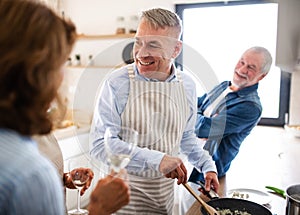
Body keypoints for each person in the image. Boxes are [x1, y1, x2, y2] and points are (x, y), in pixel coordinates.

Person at [0, 1, 129, 214]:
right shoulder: (30, 176)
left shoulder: (24, 132)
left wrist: (60, 179)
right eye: (62, 62)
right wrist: (99, 209)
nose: (64, 75)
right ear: (37, 72)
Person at [90, 8, 219, 214]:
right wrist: (157, 159)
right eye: (138, 42)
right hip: (121, 204)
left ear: (175, 50)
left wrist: (207, 166)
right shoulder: (116, 83)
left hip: (163, 202)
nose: (141, 53)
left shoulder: (187, 85)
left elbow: (185, 137)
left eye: (153, 45)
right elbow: (100, 145)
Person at [188, 46, 273, 183]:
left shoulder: (250, 106)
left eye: (251, 67)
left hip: (205, 173)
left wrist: (198, 117)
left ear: (262, 76)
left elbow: (203, 129)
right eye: (242, 62)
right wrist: (200, 115)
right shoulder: (224, 86)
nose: (242, 70)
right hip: (188, 155)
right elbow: (195, 102)